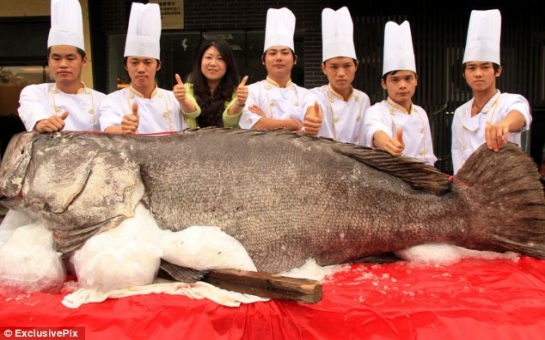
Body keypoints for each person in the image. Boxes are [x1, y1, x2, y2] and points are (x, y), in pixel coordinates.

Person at [451, 9, 531, 174]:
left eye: (485, 67)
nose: (478, 73)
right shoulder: (460, 113)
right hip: (467, 191)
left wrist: (504, 124)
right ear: (463, 73)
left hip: (502, 191)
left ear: (498, 71)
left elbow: (521, 114)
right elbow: (457, 156)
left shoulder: (510, 101)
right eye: (471, 68)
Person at [18, 0, 106, 133]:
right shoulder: (35, 93)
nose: (63, 64)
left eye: (70, 58)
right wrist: (42, 122)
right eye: (56, 58)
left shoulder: (102, 100)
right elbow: (30, 109)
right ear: (49, 61)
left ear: (84, 61)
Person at [98, 2, 187, 134]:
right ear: (126, 66)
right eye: (134, 62)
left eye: (147, 62)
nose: (140, 68)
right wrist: (123, 129)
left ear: (158, 65)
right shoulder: (112, 100)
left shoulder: (173, 99)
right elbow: (108, 129)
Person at [362, 21, 437, 166]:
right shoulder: (376, 111)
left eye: (408, 78)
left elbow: (428, 157)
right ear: (384, 83)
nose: (402, 85)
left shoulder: (421, 113)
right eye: (395, 80)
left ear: (416, 80)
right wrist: (388, 143)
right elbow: (375, 130)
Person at [239, 7, 319, 131]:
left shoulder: (307, 95)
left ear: (295, 60)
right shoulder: (251, 91)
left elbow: (310, 129)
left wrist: (268, 122)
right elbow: (253, 125)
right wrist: (293, 124)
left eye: (285, 53)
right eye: (272, 53)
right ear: (263, 60)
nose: (279, 58)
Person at [304, 7, 370, 144]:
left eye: (347, 66)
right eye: (333, 67)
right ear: (324, 68)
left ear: (356, 66)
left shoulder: (363, 99)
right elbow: (309, 109)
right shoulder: (315, 95)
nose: (341, 73)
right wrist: (310, 120)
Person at [178, 39, 248, 129]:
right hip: (194, 142)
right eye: (208, 57)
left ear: (228, 64)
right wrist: (182, 100)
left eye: (220, 58)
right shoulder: (187, 88)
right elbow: (193, 113)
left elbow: (230, 120)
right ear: (200, 61)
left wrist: (239, 102)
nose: (213, 63)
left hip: (229, 142)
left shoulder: (238, 91)